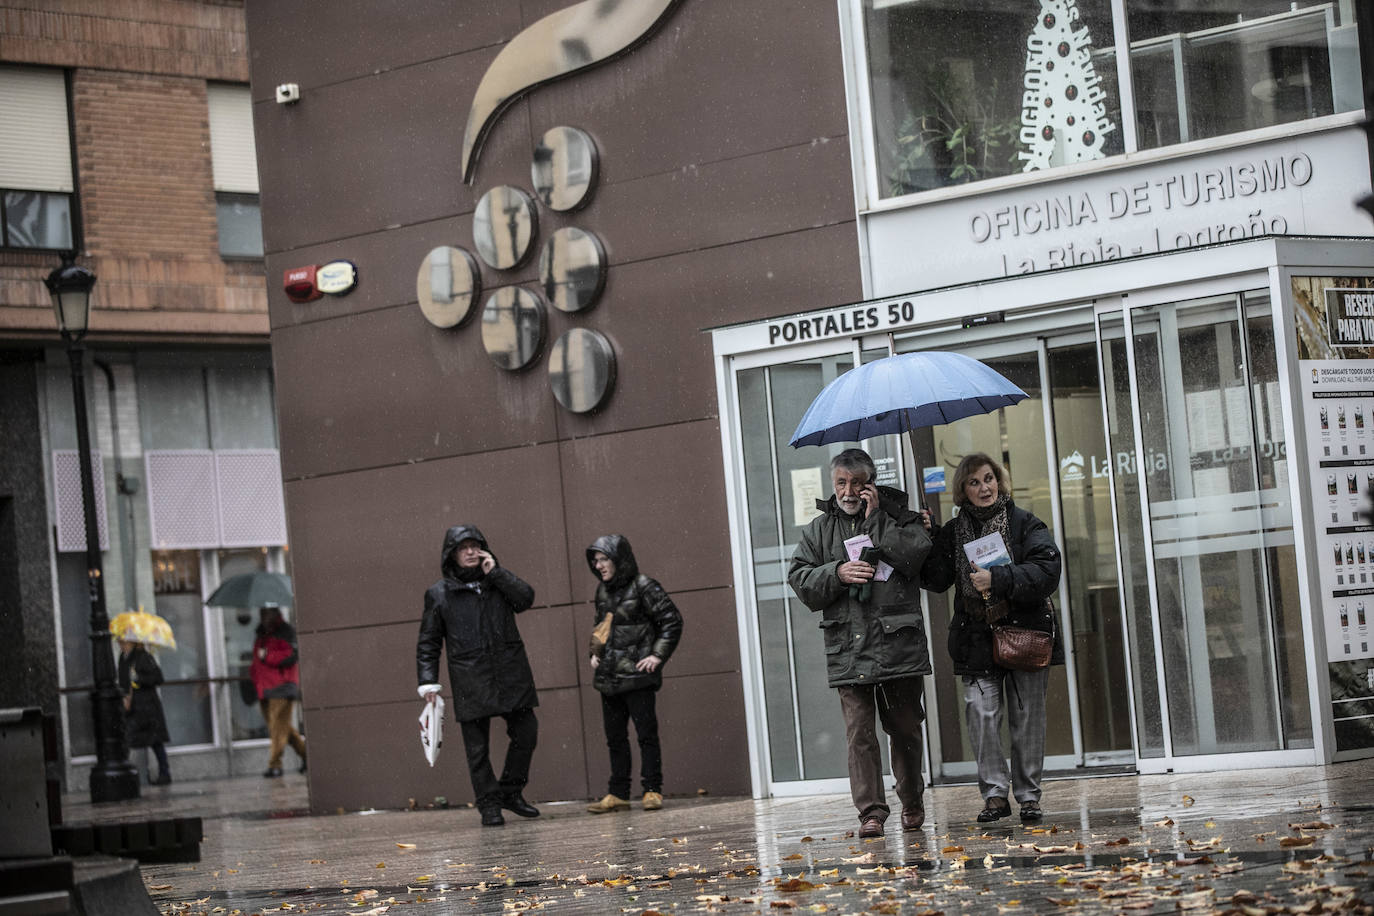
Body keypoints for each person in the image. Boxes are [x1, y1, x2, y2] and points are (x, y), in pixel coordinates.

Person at [787, 448, 933, 838]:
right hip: (848, 647)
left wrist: (877, 520)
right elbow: (800, 579)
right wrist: (837, 571)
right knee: (860, 735)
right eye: (841, 483)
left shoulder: (901, 517)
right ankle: (871, 812)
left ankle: (912, 801)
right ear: (833, 484)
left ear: (871, 484)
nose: (848, 491)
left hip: (897, 644)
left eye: (856, 483)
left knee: (904, 729)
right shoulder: (819, 530)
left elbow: (916, 556)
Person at [921, 453, 1062, 823]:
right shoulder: (953, 533)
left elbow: (1048, 570)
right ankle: (995, 795)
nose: (984, 488)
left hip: (1024, 632)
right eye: (974, 482)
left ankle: (1029, 795)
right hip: (976, 638)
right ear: (962, 491)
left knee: (1027, 716)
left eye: (989, 479)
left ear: (999, 481)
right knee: (981, 715)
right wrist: (927, 536)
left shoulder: (1023, 523)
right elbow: (934, 580)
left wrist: (998, 579)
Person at [416, 525, 540, 827]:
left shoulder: (497, 582)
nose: (471, 552)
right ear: (452, 554)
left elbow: (526, 598)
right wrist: (428, 681)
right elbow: (428, 642)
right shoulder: (439, 594)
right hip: (470, 676)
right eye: (463, 547)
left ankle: (510, 791)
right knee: (477, 749)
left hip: (510, 672)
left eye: (475, 546)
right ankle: (489, 805)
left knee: (527, 733)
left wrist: (496, 572)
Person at [584, 534, 684, 814]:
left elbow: (671, 621)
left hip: (637, 677)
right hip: (609, 678)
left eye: (604, 559)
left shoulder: (644, 586)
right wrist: (595, 653)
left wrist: (657, 656)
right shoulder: (602, 591)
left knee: (646, 735)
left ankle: (652, 790)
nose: (599, 565)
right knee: (615, 738)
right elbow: (601, 626)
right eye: (596, 560)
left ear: (619, 560)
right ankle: (618, 793)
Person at [250, 606, 308, 778]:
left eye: (266, 613)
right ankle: (308, 757)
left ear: (274, 614)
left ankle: (275, 764)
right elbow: (257, 662)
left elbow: (290, 656)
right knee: (282, 729)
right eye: (262, 614)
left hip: (281, 688)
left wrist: (266, 655)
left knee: (277, 729)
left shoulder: (285, 632)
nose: (263, 617)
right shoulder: (262, 635)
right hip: (265, 688)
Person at [117, 639, 172, 785]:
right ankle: (125, 774)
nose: (121, 646)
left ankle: (164, 772)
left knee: (155, 741)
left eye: (124, 643)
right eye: (120, 643)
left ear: (132, 643)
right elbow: (123, 681)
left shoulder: (143, 657)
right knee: (128, 739)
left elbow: (157, 678)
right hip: (133, 707)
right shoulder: (123, 659)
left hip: (148, 707)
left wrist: (139, 680)